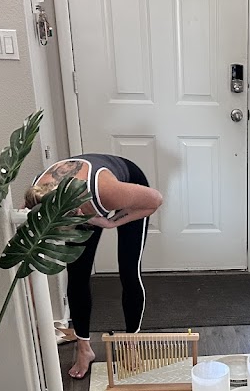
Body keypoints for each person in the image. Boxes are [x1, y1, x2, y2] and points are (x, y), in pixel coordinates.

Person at [25, 155, 163, 379]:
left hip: (124, 184)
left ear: (78, 213)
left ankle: (131, 344)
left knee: (129, 270)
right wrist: (35, 318)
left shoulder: (106, 192)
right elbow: (28, 266)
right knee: (77, 274)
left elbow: (156, 200)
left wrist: (110, 222)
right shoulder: (35, 200)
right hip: (81, 200)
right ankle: (84, 349)